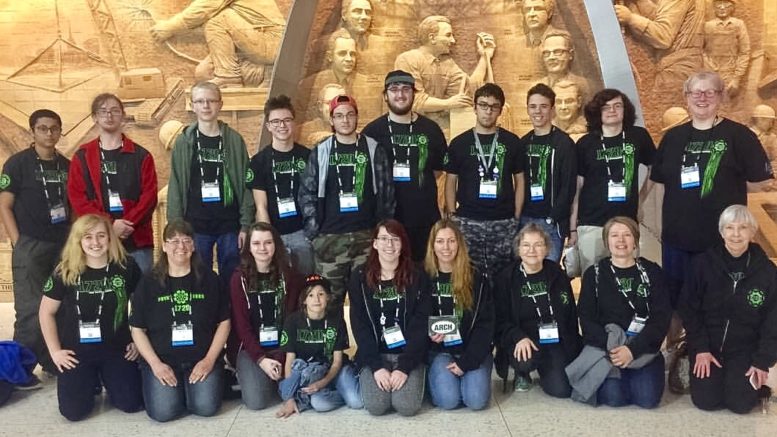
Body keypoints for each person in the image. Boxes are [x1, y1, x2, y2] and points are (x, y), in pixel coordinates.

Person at [650, 71, 774, 345]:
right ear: (686, 98)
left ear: (720, 97)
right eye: (696, 92)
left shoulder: (739, 136)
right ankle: (676, 351)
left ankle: (716, 351)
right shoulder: (673, 138)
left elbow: (762, 181)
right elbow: (660, 185)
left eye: (709, 92)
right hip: (677, 239)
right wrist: (660, 226)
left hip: (722, 242)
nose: (702, 98)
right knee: (676, 298)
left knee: (718, 300)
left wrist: (730, 190)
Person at [39, 214, 143, 421]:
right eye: (88, 237)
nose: (95, 243)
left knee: (131, 404)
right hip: (77, 352)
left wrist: (137, 341)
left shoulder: (126, 267)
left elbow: (143, 307)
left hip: (116, 349)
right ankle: (91, 381)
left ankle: (109, 379)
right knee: (74, 413)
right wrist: (55, 351)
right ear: (78, 240)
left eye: (101, 236)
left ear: (110, 238)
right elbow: (46, 312)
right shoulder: (65, 271)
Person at [298, 95, 395, 313]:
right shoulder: (321, 150)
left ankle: (367, 348)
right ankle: (335, 347)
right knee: (329, 303)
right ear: (331, 120)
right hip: (330, 240)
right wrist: (315, 231)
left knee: (368, 301)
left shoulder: (373, 149)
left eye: (350, 114)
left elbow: (387, 192)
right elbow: (307, 192)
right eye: (339, 116)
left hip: (366, 238)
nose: (345, 120)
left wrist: (381, 231)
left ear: (357, 117)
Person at [130, 219, 231, 422]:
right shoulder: (149, 282)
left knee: (205, 407)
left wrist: (209, 360)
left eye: (186, 240)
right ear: (165, 246)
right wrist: (155, 364)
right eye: (174, 241)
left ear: (193, 246)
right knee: (164, 412)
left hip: (201, 359)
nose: (181, 246)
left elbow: (224, 322)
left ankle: (203, 383)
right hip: (162, 360)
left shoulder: (210, 279)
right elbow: (137, 328)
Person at [679, 205, 777, 414]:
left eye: (743, 228)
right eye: (730, 228)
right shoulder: (702, 264)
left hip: (744, 350)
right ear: (721, 231)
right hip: (708, 346)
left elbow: (773, 320)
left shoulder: (768, 271)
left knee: (741, 405)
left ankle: (742, 383)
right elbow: (688, 308)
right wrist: (701, 348)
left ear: (752, 232)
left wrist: (762, 361)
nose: (735, 234)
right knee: (706, 402)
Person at [572, 217, 671, 408]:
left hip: (642, 347)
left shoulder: (652, 272)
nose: (621, 240)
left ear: (635, 240)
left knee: (647, 400)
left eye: (627, 235)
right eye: (614, 235)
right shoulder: (595, 274)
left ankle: (639, 372)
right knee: (614, 398)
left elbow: (661, 318)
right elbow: (586, 318)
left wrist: (632, 350)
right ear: (606, 241)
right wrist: (614, 350)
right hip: (608, 349)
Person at [0, 109, 70, 374]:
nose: (49, 133)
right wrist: (18, 243)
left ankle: (53, 361)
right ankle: (20, 370)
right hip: (30, 245)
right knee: (30, 311)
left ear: (60, 131)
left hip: (60, 247)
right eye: (43, 128)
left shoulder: (67, 165)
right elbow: (4, 205)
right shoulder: (17, 164)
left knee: (59, 305)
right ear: (33, 131)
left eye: (54, 128)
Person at [167, 81, 255, 280]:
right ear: (192, 105)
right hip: (196, 225)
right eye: (200, 101)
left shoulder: (234, 140)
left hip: (229, 225)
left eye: (211, 101)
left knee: (232, 277)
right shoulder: (184, 141)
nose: (206, 106)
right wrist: (176, 225)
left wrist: (246, 225)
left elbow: (246, 185)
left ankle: (228, 312)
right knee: (199, 278)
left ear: (220, 104)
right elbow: (176, 185)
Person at [343, 219, 431, 416]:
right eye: (383, 239)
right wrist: (376, 367)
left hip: (409, 354)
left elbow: (420, 323)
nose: (389, 245)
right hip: (375, 353)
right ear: (374, 243)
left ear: (403, 244)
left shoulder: (417, 275)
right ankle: (347, 375)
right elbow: (360, 325)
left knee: (407, 407)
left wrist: (404, 367)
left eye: (395, 239)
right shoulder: (359, 277)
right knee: (376, 406)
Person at [67, 93, 158, 274]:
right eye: (103, 111)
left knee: (142, 298)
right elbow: (77, 197)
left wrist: (127, 224)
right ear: (94, 117)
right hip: (97, 242)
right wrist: (108, 226)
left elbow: (149, 195)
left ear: (123, 116)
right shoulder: (82, 156)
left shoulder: (141, 155)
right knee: (106, 298)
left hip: (137, 240)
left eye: (115, 111)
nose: (109, 116)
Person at [362, 70, 447, 262]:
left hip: (424, 218)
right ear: (385, 95)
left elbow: (437, 170)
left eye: (406, 89)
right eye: (394, 89)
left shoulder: (431, 130)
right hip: (388, 221)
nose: (400, 94)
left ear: (413, 93)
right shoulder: (372, 132)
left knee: (425, 273)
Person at [569, 89, 655, 274]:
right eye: (605, 107)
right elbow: (577, 187)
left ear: (625, 110)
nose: (612, 111)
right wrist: (572, 227)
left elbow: (654, 168)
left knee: (627, 277)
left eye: (617, 106)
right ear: (597, 112)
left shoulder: (638, 136)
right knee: (593, 279)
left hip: (626, 221)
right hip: (592, 222)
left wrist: (640, 200)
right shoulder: (585, 143)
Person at [444, 83, 525, 280]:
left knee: (504, 276)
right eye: (483, 105)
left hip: (503, 220)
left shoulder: (512, 142)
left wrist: (516, 214)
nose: (488, 111)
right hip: (468, 221)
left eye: (493, 107)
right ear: (474, 107)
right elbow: (450, 181)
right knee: (469, 276)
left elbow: (520, 181)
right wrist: (453, 214)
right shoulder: (459, 143)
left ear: (500, 110)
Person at [494, 223, 581, 397]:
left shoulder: (557, 274)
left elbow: (570, 313)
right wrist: (518, 337)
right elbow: (500, 320)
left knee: (562, 390)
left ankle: (549, 367)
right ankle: (522, 373)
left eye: (538, 245)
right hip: (523, 340)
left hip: (553, 339)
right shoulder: (507, 277)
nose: (532, 250)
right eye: (526, 245)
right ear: (518, 249)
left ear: (547, 248)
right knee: (525, 360)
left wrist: (570, 345)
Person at [227, 221, 304, 410]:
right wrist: (262, 360)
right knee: (257, 402)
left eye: (268, 243)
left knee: (301, 387)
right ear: (249, 248)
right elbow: (242, 327)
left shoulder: (289, 276)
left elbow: (293, 319)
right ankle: (246, 373)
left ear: (276, 245)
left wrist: (282, 355)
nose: (262, 248)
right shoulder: (239, 279)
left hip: (284, 347)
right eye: (256, 243)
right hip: (250, 349)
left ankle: (271, 377)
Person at [424, 219, 493, 410]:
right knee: (448, 401)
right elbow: (416, 317)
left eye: (451, 241)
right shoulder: (423, 277)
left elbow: (486, 324)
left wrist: (468, 362)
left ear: (459, 243)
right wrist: (427, 332)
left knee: (475, 401)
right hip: (440, 351)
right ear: (432, 245)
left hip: (472, 350)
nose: (446, 247)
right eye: (440, 241)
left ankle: (469, 378)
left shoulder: (476, 277)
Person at [394, 15, 495, 133]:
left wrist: (484, 57)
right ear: (432, 38)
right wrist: (448, 104)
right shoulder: (408, 59)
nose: (453, 41)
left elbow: (469, 89)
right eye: (448, 35)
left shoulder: (447, 64)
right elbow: (412, 100)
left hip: (442, 132)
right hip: (413, 132)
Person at [149, 0, 285, 87]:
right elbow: (209, 28)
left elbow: (205, 8)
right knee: (204, 73)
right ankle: (259, 73)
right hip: (250, 44)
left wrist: (170, 27)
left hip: (271, 41)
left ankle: (229, 77)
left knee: (219, 19)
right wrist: (174, 29)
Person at [248, 95, 313, 274]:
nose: (282, 126)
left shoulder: (308, 156)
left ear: (293, 122)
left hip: (303, 234)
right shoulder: (259, 161)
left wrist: (312, 233)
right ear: (268, 126)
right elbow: (261, 206)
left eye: (286, 120)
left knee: (306, 286)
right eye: (275, 121)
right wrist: (269, 239)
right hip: (276, 234)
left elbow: (316, 198)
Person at [276, 274, 349, 418]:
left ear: (328, 297)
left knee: (355, 400)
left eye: (321, 294)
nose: (316, 299)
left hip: (331, 373)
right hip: (305, 373)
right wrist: (289, 398)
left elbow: (337, 362)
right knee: (319, 403)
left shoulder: (336, 320)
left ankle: (339, 393)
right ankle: (305, 396)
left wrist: (322, 383)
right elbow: (290, 361)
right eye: (310, 295)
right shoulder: (293, 321)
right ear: (304, 300)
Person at [520, 83, 577, 262]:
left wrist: (554, 218)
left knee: (549, 275)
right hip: (525, 220)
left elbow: (568, 187)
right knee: (527, 274)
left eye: (543, 106)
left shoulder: (563, 143)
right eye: (533, 106)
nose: (538, 111)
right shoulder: (522, 143)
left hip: (551, 222)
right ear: (528, 109)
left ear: (552, 110)